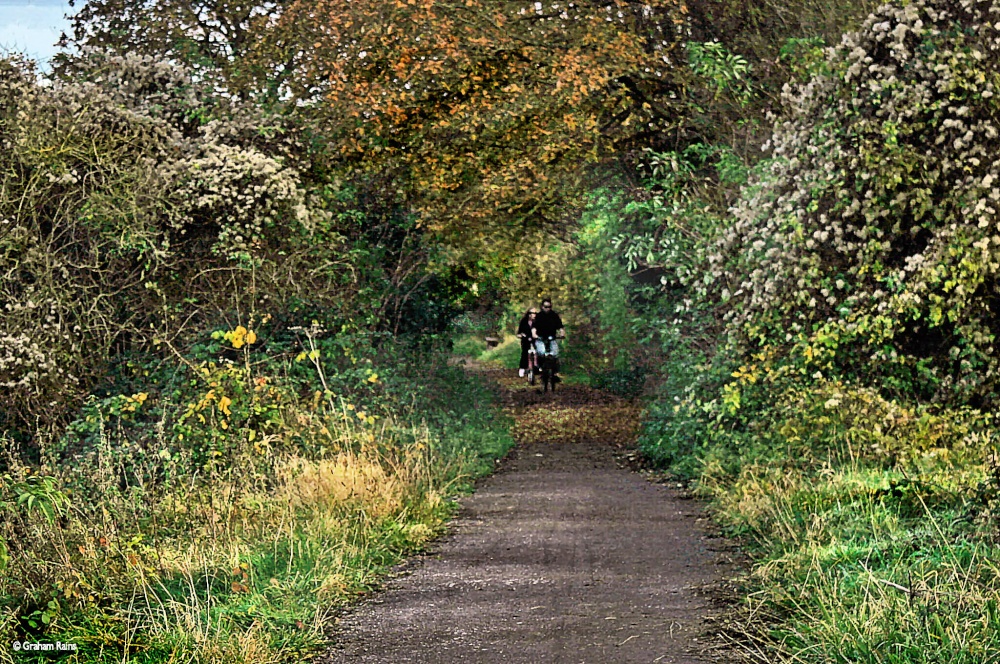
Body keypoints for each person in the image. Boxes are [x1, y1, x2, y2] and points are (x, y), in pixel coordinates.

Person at [531, 298, 565, 374]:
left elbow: (560, 326)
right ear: (542, 307)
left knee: (555, 353)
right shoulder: (538, 316)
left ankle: (555, 372)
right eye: (545, 307)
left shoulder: (554, 316)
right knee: (541, 352)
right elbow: (534, 328)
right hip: (540, 338)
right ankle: (540, 367)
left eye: (549, 307)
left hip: (551, 338)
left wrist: (562, 334)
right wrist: (534, 334)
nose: (547, 309)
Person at [516, 308, 537, 377]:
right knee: (525, 352)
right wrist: (521, 335)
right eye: (532, 313)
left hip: (535, 340)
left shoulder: (537, 322)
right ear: (528, 314)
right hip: (525, 340)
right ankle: (522, 368)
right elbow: (519, 333)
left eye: (535, 313)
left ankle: (537, 367)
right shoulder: (524, 321)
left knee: (538, 352)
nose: (534, 315)